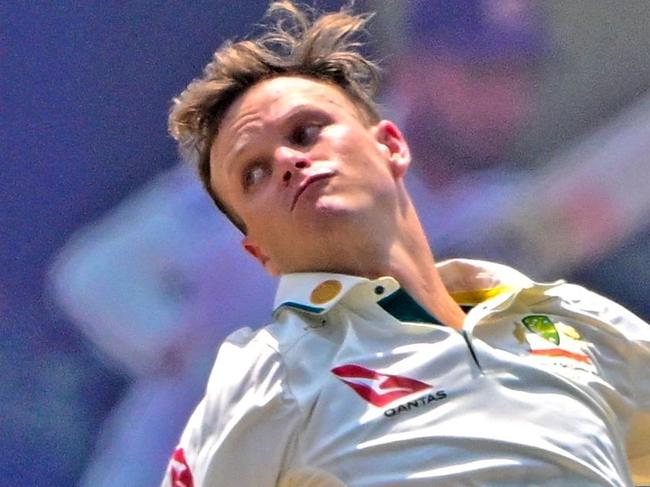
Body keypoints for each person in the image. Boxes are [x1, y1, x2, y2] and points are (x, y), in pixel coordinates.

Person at [161, 1, 649, 486]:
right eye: (255, 173)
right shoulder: (262, 384)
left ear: (390, 145)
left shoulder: (575, 317)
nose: (288, 160)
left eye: (307, 132)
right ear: (258, 250)